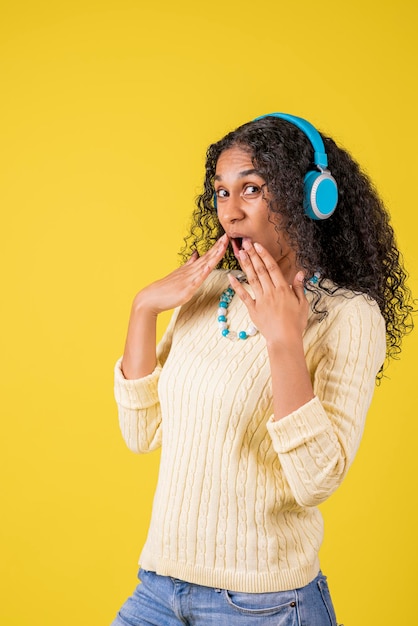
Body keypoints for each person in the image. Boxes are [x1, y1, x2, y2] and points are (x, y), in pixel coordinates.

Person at [111, 113, 413, 626]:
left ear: (311, 197)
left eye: (251, 188)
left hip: (262, 605)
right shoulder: (208, 293)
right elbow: (142, 433)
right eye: (222, 192)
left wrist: (283, 341)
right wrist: (143, 309)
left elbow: (316, 480)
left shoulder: (347, 316)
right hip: (160, 586)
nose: (230, 211)